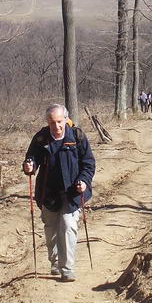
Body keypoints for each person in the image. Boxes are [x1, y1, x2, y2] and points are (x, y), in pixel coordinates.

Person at [22, 104, 96, 282]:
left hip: (72, 192)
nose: (56, 126)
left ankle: (67, 268)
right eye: (52, 122)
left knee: (68, 225)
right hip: (48, 192)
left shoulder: (77, 137)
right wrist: (29, 166)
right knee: (51, 230)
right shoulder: (41, 139)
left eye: (59, 122)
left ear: (66, 120)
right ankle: (55, 262)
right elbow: (31, 160)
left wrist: (84, 182)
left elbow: (88, 164)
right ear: (48, 122)